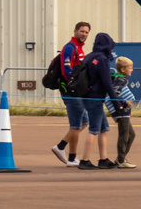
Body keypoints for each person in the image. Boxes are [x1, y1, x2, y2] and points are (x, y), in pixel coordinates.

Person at [76, 32, 119, 169]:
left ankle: (103, 159)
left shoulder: (89, 56)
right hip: (95, 97)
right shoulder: (102, 59)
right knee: (94, 129)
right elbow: (107, 83)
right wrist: (117, 104)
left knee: (104, 129)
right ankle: (84, 160)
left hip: (87, 96)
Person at [50, 21, 91, 166]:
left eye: (86, 32)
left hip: (78, 92)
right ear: (75, 31)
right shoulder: (70, 47)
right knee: (76, 125)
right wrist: (74, 86)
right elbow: (66, 70)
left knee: (84, 122)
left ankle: (64, 150)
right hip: (71, 91)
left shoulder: (80, 49)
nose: (84, 34)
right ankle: (68, 154)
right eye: (82, 31)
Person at [109, 56, 138, 169]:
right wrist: (125, 104)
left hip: (124, 112)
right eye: (130, 68)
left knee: (131, 134)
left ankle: (121, 157)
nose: (132, 70)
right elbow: (115, 94)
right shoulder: (121, 79)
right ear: (122, 69)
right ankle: (121, 160)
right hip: (121, 111)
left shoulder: (119, 78)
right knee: (124, 135)